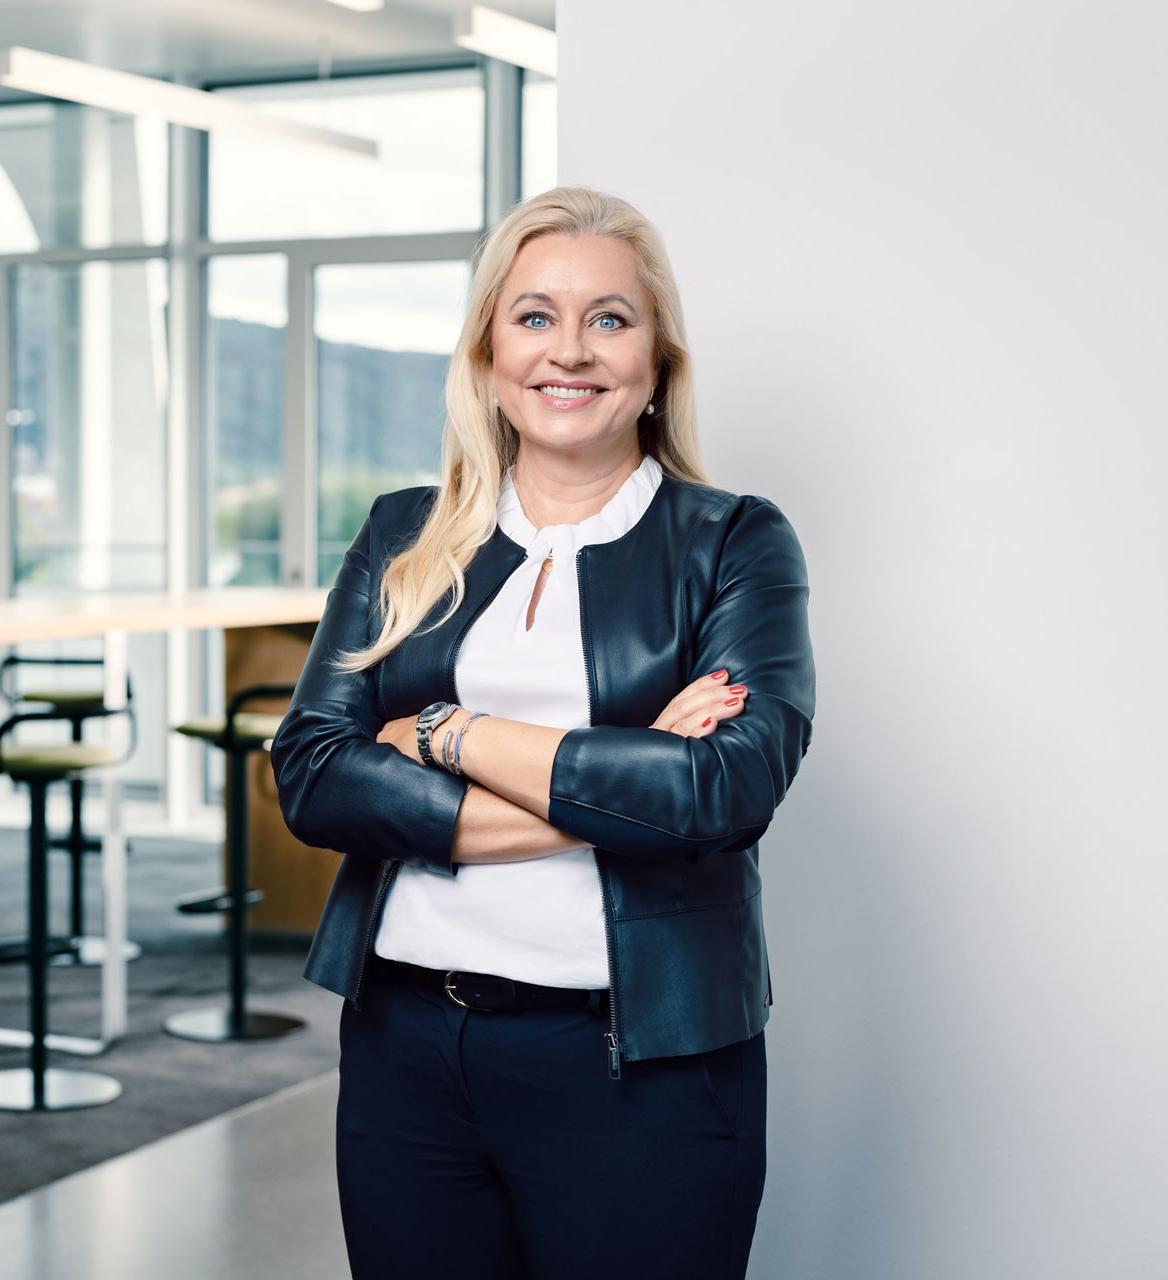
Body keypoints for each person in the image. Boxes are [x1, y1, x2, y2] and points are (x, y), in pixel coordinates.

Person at [268, 185, 815, 1280]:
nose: (570, 350)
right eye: (534, 315)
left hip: (640, 1062)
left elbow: (725, 790)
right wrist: (630, 778)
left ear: (657, 358)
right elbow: (313, 774)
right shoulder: (403, 535)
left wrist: (447, 732)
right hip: (407, 1046)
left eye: (609, 317)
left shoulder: (734, 543)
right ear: (487, 353)